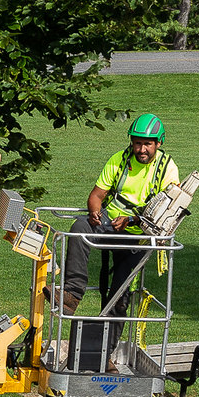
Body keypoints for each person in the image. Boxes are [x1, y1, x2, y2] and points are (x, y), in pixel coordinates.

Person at [63, 113, 181, 317]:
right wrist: (94, 212)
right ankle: (71, 293)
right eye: (137, 143)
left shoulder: (167, 168)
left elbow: (167, 212)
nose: (141, 149)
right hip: (109, 223)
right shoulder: (119, 159)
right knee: (80, 228)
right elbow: (96, 195)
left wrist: (131, 220)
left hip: (139, 235)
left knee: (118, 300)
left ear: (159, 143)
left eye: (147, 144)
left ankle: (107, 344)